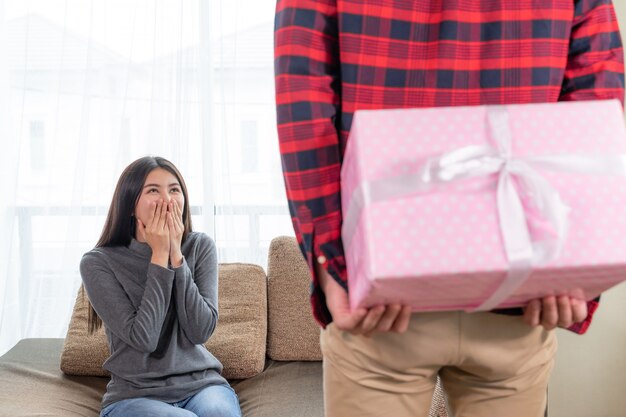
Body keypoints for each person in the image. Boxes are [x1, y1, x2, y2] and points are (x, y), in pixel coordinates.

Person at [274, 1, 624, 416]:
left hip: (384, 291)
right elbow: (596, 108)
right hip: (518, 287)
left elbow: (303, 106)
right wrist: (575, 270)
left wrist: (333, 267)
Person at [80, 156, 241, 417]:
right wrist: (159, 255)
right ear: (130, 204)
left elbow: (200, 331)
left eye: (174, 190)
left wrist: (176, 256)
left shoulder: (200, 247)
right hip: (134, 394)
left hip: (201, 386)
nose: (167, 200)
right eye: (153, 190)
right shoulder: (98, 262)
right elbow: (144, 338)